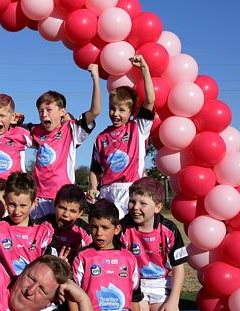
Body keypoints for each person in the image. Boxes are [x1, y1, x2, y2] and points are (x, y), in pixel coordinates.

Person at [70, 199, 160, 311]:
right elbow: (72, 297)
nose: (99, 233)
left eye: (105, 228)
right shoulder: (83, 256)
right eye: (94, 227)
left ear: (117, 229)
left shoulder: (128, 257)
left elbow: (134, 296)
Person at [120, 177, 188, 311]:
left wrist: (173, 302)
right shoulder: (122, 228)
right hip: (135, 287)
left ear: (157, 207)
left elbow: (178, 267)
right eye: (132, 202)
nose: (135, 208)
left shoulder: (169, 229)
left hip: (161, 286)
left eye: (142, 203)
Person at [87, 55, 155, 218]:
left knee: (129, 237)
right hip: (106, 193)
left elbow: (150, 100)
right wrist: (93, 188)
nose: (116, 114)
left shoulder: (138, 128)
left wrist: (144, 69)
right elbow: (95, 170)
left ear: (131, 112)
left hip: (131, 191)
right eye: (112, 109)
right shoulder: (101, 137)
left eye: (122, 110)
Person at [30, 64, 100, 219]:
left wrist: (95, 77)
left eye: (48, 110)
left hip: (61, 199)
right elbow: (6, 126)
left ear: (62, 112)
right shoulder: (35, 131)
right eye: (40, 111)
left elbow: (95, 111)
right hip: (37, 198)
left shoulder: (71, 129)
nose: (43, 114)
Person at [0, 172, 54, 277]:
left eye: (23, 205)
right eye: (12, 205)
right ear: (5, 200)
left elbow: (48, 267)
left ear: (34, 203)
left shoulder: (44, 231)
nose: (17, 211)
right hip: (4, 288)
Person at [40, 184, 93, 265]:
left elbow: (92, 258)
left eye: (73, 211)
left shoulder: (85, 230)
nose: (66, 214)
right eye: (62, 208)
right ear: (55, 205)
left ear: (80, 213)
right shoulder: (42, 226)